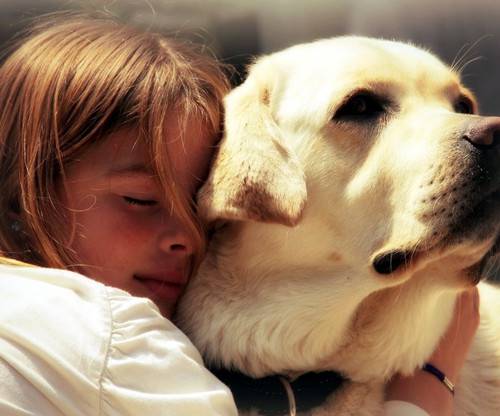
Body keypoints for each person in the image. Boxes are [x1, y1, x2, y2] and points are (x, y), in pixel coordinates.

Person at [0, 12, 479, 416]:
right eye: (141, 200)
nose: (191, 235)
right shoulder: (108, 337)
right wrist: (431, 385)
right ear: (20, 199)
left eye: (199, 201)